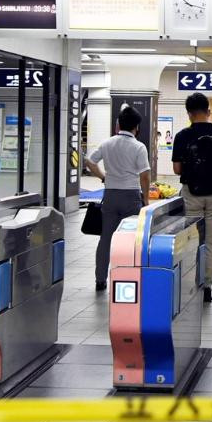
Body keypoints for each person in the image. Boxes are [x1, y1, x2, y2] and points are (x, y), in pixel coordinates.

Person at [171, 93, 212, 304]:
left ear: (189, 114)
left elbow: (177, 169)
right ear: (209, 111)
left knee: (193, 239)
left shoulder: (182, 136)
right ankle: (208, 285)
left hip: (192, 194)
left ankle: (192, 281)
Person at [85, 106, 151, 292]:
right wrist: (146, 199)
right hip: (131, 196)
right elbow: (145, 176)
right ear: (136, 126)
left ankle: (100, 279)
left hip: (111, 195)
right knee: (131, 238)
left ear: (118, 124)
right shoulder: (139, 146)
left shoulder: (107, 143)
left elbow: (90, 161)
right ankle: (129, 275)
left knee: (106, 238)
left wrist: (103, 177)